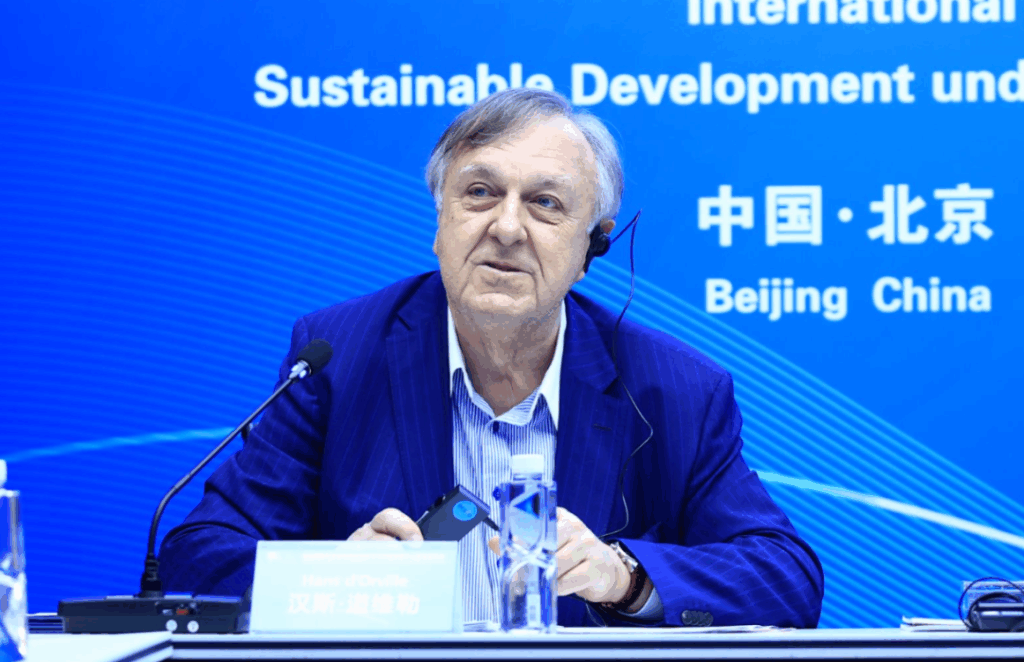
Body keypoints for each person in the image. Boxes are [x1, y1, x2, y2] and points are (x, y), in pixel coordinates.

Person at [160, 87, 824, 627]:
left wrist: (624, 577)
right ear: (439, 221)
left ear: (590, 249)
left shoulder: (674, 391)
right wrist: (337, 580)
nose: (506, 228)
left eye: (545, 204)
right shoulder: (338, 359)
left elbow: (785, 579)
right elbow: (199, 557)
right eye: (479, 192)